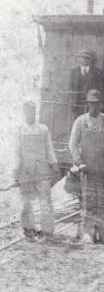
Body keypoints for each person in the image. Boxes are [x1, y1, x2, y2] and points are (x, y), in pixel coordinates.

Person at [68, 89, 104, 244]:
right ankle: (88, 233)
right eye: (91, 104)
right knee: (88, 201)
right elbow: (72, 144)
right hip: (87, 168)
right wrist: (79, 162)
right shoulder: (80, 121)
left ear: (101, 104)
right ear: (87, 104)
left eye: (97, 104)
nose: (94, 107)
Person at [13, 101, 58, 239]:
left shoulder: (43, 129)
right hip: (26, 171)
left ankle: (47, 230)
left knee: (45, 201)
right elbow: (17, 152)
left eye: (32, 111)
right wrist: (16, 170)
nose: (30, 113)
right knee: (26, 202)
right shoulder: (20, 129)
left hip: (41, 170)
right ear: (24, 112)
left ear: (35, 112)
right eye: (28, 111)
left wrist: (54, 164)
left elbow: (49, 148)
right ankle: (28, 228)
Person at [69, 49, 104, 117]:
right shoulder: (74, 72)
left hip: (91, 102)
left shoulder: (97, 72)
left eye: (87, 58)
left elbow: (101, 88)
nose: (84, 60)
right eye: (82, 58)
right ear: (79, 59)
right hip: (77, 102)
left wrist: (100, 102)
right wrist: (72, 101)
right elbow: (71, 87)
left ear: (90, 60)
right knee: (78, 120)